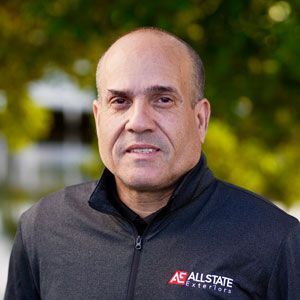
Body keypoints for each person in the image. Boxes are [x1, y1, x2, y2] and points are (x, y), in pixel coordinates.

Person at [5, 27, 300, 300]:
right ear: (98, 119)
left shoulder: (274, 241)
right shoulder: (42, 227)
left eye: (162, 100)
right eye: (120, 101)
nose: (138, 122)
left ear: (200, 119)